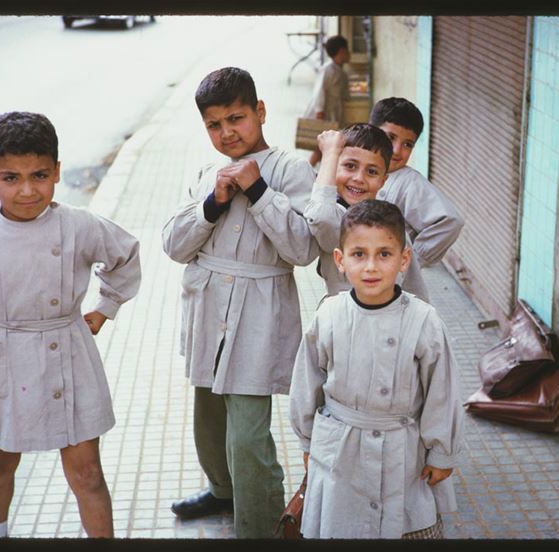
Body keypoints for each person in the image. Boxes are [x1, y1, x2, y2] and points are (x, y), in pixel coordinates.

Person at [0, 111, 142, 538]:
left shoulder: (79, 225)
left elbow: (124, 256)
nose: (28, 191)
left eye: (40, 175)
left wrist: (104, 308)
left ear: (57, 172)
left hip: (65, 351)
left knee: (87, 472)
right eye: (11, 177)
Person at [161, 67, 320, 538]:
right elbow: (173, 246)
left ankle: (260, 524)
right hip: (208, 309)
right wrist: (212, 203)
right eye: (215, 124)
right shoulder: (206, 173)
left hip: (258, 312)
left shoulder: (290, 170)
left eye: (237, 118)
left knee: (248, 434)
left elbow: (303, 249)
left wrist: (257, 191)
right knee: (208, 416)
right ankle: (222, 490)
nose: (227, 132)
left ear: (260, 112)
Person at [289, 199, 464, 539]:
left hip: (403, 452)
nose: (371, 266)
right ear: (340, 260)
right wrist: (307, 440)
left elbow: (442, 390)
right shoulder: (329, 315)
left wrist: (442, 451)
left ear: (404, 260)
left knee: (403, 524)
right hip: (340, 450)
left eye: (384, 254)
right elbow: (306, 382)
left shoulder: (423, 319)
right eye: (359, 254)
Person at [370, 97, 464, 302]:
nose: (396, 150)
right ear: (372, 131)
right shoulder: (357, 174)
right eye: (390, 137)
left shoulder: (408, 182)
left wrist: (412, 259)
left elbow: (450, 221)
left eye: (407, 144)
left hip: (393, 293)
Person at [304, 122, 397, 298]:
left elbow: (415, 288)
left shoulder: (390, 223)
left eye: (371, 171)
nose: (359, 178)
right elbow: (321, 216)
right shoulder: (337, 214)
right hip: (340, 315)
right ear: (334, 168)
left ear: (383, 181)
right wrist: (331, 157)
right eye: (350, 166)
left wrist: (331, 154)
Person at [303, 35, 351, 167]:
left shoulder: (341, 71)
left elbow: (344, 94)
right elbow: (320, 91)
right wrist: (319, 111)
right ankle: (306, 170)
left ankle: (315, 171)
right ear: (341, 52)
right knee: (320, 148)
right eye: (347, 51)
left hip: (334, 113)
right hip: (325, 113)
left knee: (325, 147)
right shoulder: (328, 69)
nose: (349, 54)